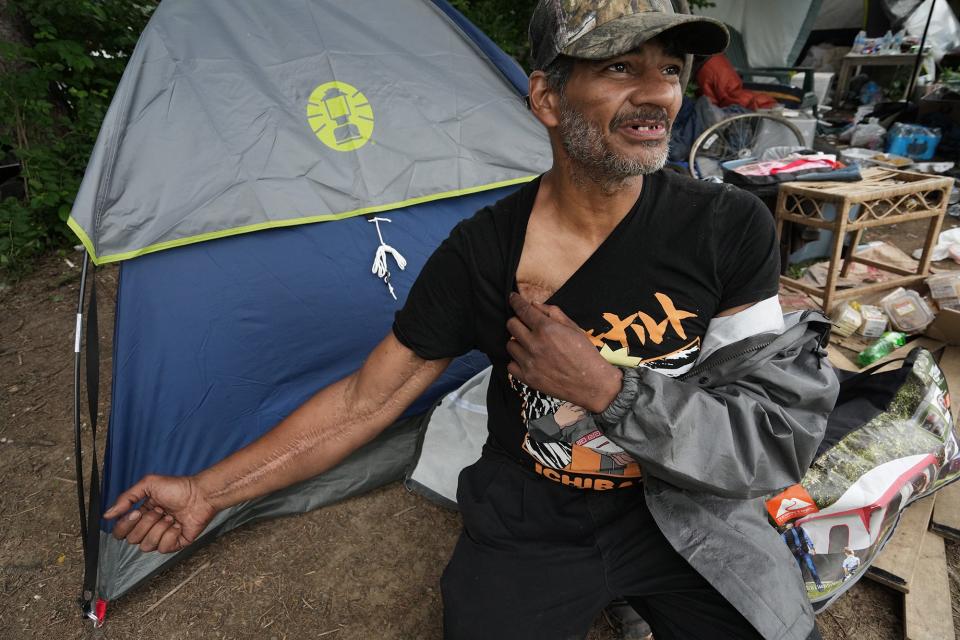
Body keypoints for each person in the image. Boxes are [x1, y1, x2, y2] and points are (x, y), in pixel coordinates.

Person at [104, 2, 837, 638]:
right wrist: (208, 491)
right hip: (534, 523)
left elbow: (772, 431)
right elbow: (367, 401)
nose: (658, 96)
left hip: (685, 508)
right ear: (547, 98)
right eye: (619, 69)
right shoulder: (483, 252)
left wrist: (608, 391)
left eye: (670, 69)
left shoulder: (725, 227)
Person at [782, 522, 825, 592]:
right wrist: (788, 558)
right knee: (799, 572)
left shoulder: (799, 529)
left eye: (791, 522)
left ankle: (819, 585)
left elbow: (806, 537)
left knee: (811, 567)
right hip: (795, 555)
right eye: (788, 523)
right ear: (785, 526)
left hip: (804, 552)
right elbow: (784, 547)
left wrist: (812, 548)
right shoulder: (784, 535)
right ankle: (804, 589)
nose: (790, 523)